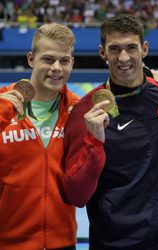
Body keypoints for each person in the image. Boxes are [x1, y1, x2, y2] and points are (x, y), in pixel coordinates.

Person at [63, 14, 158, 250]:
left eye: (131, 48)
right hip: (113, 243)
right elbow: (76, 195)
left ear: (144, 49)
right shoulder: (85, 111)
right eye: (115, 49)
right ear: (102, 53)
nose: (124, 57)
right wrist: (93, 142)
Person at [0, 23, 78, 249]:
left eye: (64, 60)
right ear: (31, 59)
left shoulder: (78, 110)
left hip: (62, 242)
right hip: (9, 242)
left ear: (72, 63)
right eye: (48, 59)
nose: (56, 68)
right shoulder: (3, 102)